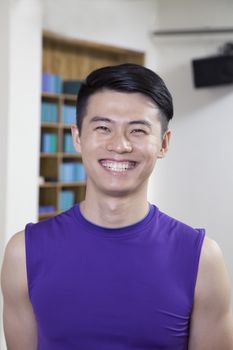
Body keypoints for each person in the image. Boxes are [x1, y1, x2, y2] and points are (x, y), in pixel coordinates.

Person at [1, 63, 233, 350]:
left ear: (164, 143)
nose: (120, 145)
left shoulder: (203, 259)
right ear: (77, 138)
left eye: (137, 130)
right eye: (103, 127)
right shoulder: (23, 254)